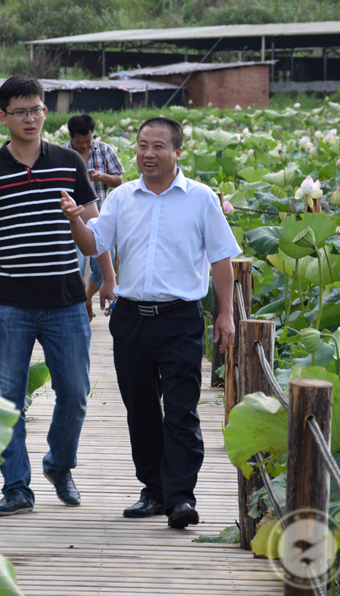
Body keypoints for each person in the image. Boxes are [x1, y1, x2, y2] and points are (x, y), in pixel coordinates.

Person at [59, 116, 241, 529]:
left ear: (178, 151)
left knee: (180, 410)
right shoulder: (122, 197)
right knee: (140, 408)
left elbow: (221, 260)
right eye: (142, 145)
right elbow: (93, 243)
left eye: (158, 146)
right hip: (130, 320)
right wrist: (74, 217)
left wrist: (225, 314)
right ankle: (153, 491)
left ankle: (180, 497)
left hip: (180, 319)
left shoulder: (201, 199)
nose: (148, 154)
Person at [0, 75, 115, 516]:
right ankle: (16, 487)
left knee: (75, 391)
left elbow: (94, 230)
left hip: (67, 298)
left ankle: (59, 464)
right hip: (9, 300)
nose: (30, 118)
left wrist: (107, 277)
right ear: (3, 116)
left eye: (37, 110)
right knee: (6, 395)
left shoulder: (70, 162)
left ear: (46, 112)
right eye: (20, 111)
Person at [62, 114, 123, 320]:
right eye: (80, 143)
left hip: (102, 220)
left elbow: (119, 180)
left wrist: (101, 176)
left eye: (88, 141)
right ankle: (78, 308)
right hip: (74, 222)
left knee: (101, 270)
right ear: (71, 136)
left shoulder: (105, 150)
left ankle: (87, 298)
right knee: (76, 268)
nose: (85, 146)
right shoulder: (62, 154)